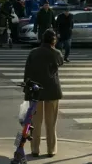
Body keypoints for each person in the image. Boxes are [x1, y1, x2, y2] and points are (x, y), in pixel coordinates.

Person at [23, 29, 63, 157]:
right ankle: (51, 150)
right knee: (51, 123)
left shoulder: (33, 53)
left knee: (35, 122)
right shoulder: (56, 53)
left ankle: (35, 149)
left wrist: (27, 90)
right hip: (52, 91)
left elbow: (27, 71)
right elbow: (60, 62)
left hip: (35, 92)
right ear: (53, 41)